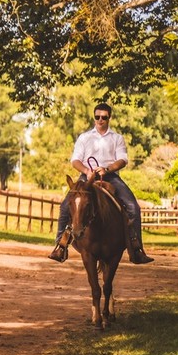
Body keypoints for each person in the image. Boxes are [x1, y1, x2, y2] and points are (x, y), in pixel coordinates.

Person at [49, 102, 154, 265]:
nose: (100, 120)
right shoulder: (84, 137)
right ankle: (60, 246)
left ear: (109, 118)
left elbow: (122, 160)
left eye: (104, 117)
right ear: (94, 117)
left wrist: (107, 169)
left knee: (133, 207)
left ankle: (136, 249)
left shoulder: (117, 138)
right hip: (86, 177)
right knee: (64, 207)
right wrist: (86, 171)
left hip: (110, 176)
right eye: (97, 116)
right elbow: (75, 160)